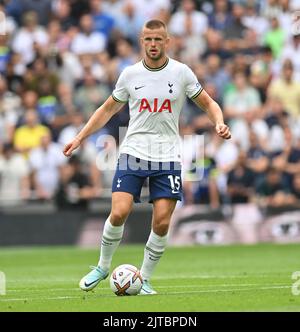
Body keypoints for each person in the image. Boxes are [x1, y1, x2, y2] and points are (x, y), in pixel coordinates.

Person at [63, 20, 231, 295]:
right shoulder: (129, 75)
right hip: (134, 152)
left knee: (162, 221)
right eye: (148, 39)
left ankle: (145, 279)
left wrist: (219, 122)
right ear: (142, 41)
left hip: (167, 156)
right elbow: (107, 110)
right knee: (119, 212)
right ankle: (103, 267)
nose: (153, 44)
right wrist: (80, 137)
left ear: (167, 41)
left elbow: (209, 103)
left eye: (158, 39)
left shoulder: (181, 73)